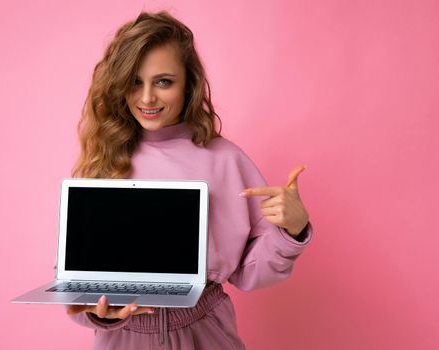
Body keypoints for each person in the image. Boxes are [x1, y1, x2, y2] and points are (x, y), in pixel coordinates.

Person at [66, 11, 312, 350]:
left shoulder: (225, 159)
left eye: (163, 81)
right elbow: (74, 282)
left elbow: (252, 272)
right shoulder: (103, 159)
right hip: (124, 337)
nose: (147, 98)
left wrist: (292, 231)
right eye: (135, 82)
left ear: (189, 84)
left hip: (204, 328)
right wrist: (99, 312)